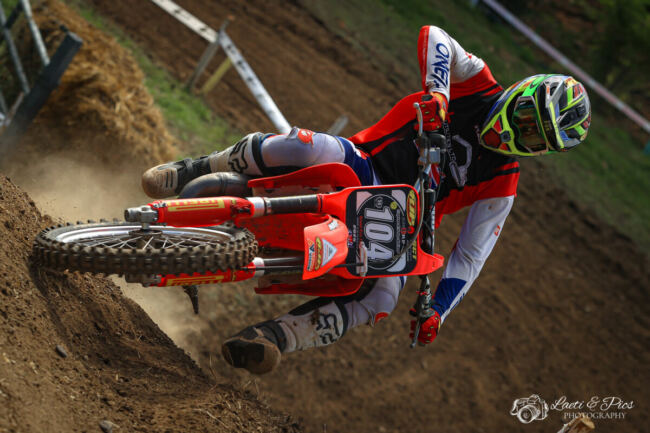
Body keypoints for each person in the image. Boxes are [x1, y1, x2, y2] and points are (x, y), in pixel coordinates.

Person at [141, 26, 591, 374]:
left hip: (401, 220)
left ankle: (272, 338)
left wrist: (437, 311)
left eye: (534, 140)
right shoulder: (479, 85)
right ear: (522, 93)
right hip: (365, 162)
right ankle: (198, 167)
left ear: (541, 152)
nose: (520, 135)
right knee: (306, 146)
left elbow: (471, 255)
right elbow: (435, 36)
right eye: (528, 119)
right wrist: (438, 93)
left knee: (382, 299)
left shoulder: (503, 181)